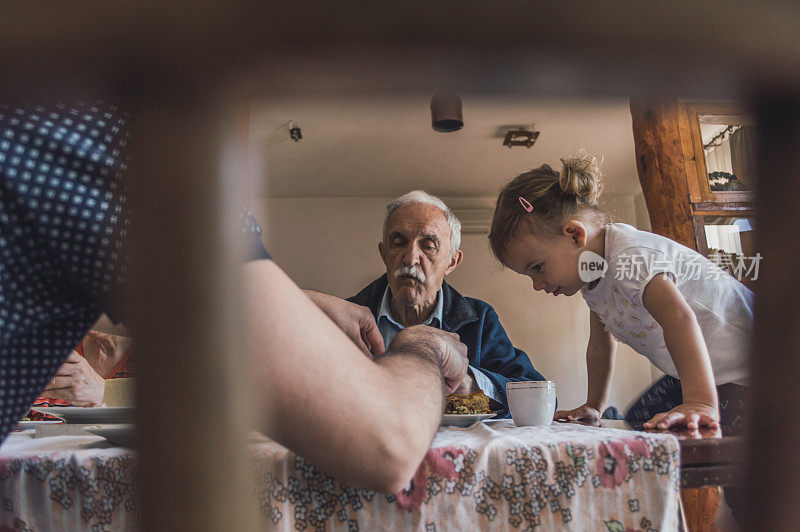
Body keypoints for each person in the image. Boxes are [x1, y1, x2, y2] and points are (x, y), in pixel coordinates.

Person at [0, 102, 469, 494]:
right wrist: (424, 344)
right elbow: (386, 442)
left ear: (452, 259)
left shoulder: (39, 112)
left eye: (429, 244)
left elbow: (200, 291)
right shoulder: (123, 148)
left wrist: (298, 300)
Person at [487, 152, 752, 431]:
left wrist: (700, 402)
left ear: (575, 234)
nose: (537, 284)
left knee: (707, 436)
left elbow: (679, 317)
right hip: (710, 371)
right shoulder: (592, 276)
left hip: (749, 367)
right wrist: (594, 405)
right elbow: (600, 347)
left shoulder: (629, 256)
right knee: (640, 419)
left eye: (538, 267)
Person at [342, 190, 547, 417]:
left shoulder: (479, 319)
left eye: (428, 246)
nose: (410, 258)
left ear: (452, 261)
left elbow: (537, 395)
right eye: (398, 243)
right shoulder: (347, 317)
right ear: (384, 254)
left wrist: (469, 384)